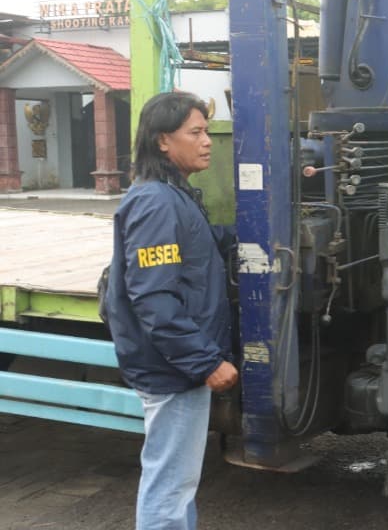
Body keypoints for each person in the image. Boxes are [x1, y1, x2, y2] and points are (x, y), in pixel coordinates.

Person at [105, 91, 237, 530]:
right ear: (164, 141)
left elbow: (194, 249)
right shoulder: (156, 202)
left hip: (176, 365)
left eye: (205, 131)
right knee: (170, 484)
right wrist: (205, 362)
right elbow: (154, 298)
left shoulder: (174, 195)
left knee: (177, 482)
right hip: (173, 368)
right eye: (195, 132)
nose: (207, 141)